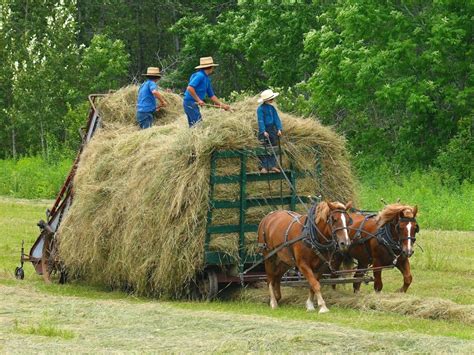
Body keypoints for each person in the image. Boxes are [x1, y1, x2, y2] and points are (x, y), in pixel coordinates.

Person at [183, 56, 230, 127]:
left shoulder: (206, 78)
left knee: (194, 126)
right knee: (198, 125)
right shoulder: (200, 76)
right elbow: (190, 88)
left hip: (193, 103)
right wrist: (199, 100)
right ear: (210, 67)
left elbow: (212, 96)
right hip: (190, 103)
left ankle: (194, 137)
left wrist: (222, 105)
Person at [257, 89, 283, 173]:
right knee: (264, 148)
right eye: (271, 98)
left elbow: (276, 119)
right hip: (265, 130)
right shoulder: (260, 109)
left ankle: (272, 166)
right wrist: (263, 131)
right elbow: (260, 120)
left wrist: (279, 128)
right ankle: (264, 167)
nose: (273, 100)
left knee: (274, 148)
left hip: (272, 130)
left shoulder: (272, 108)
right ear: (267, 99)